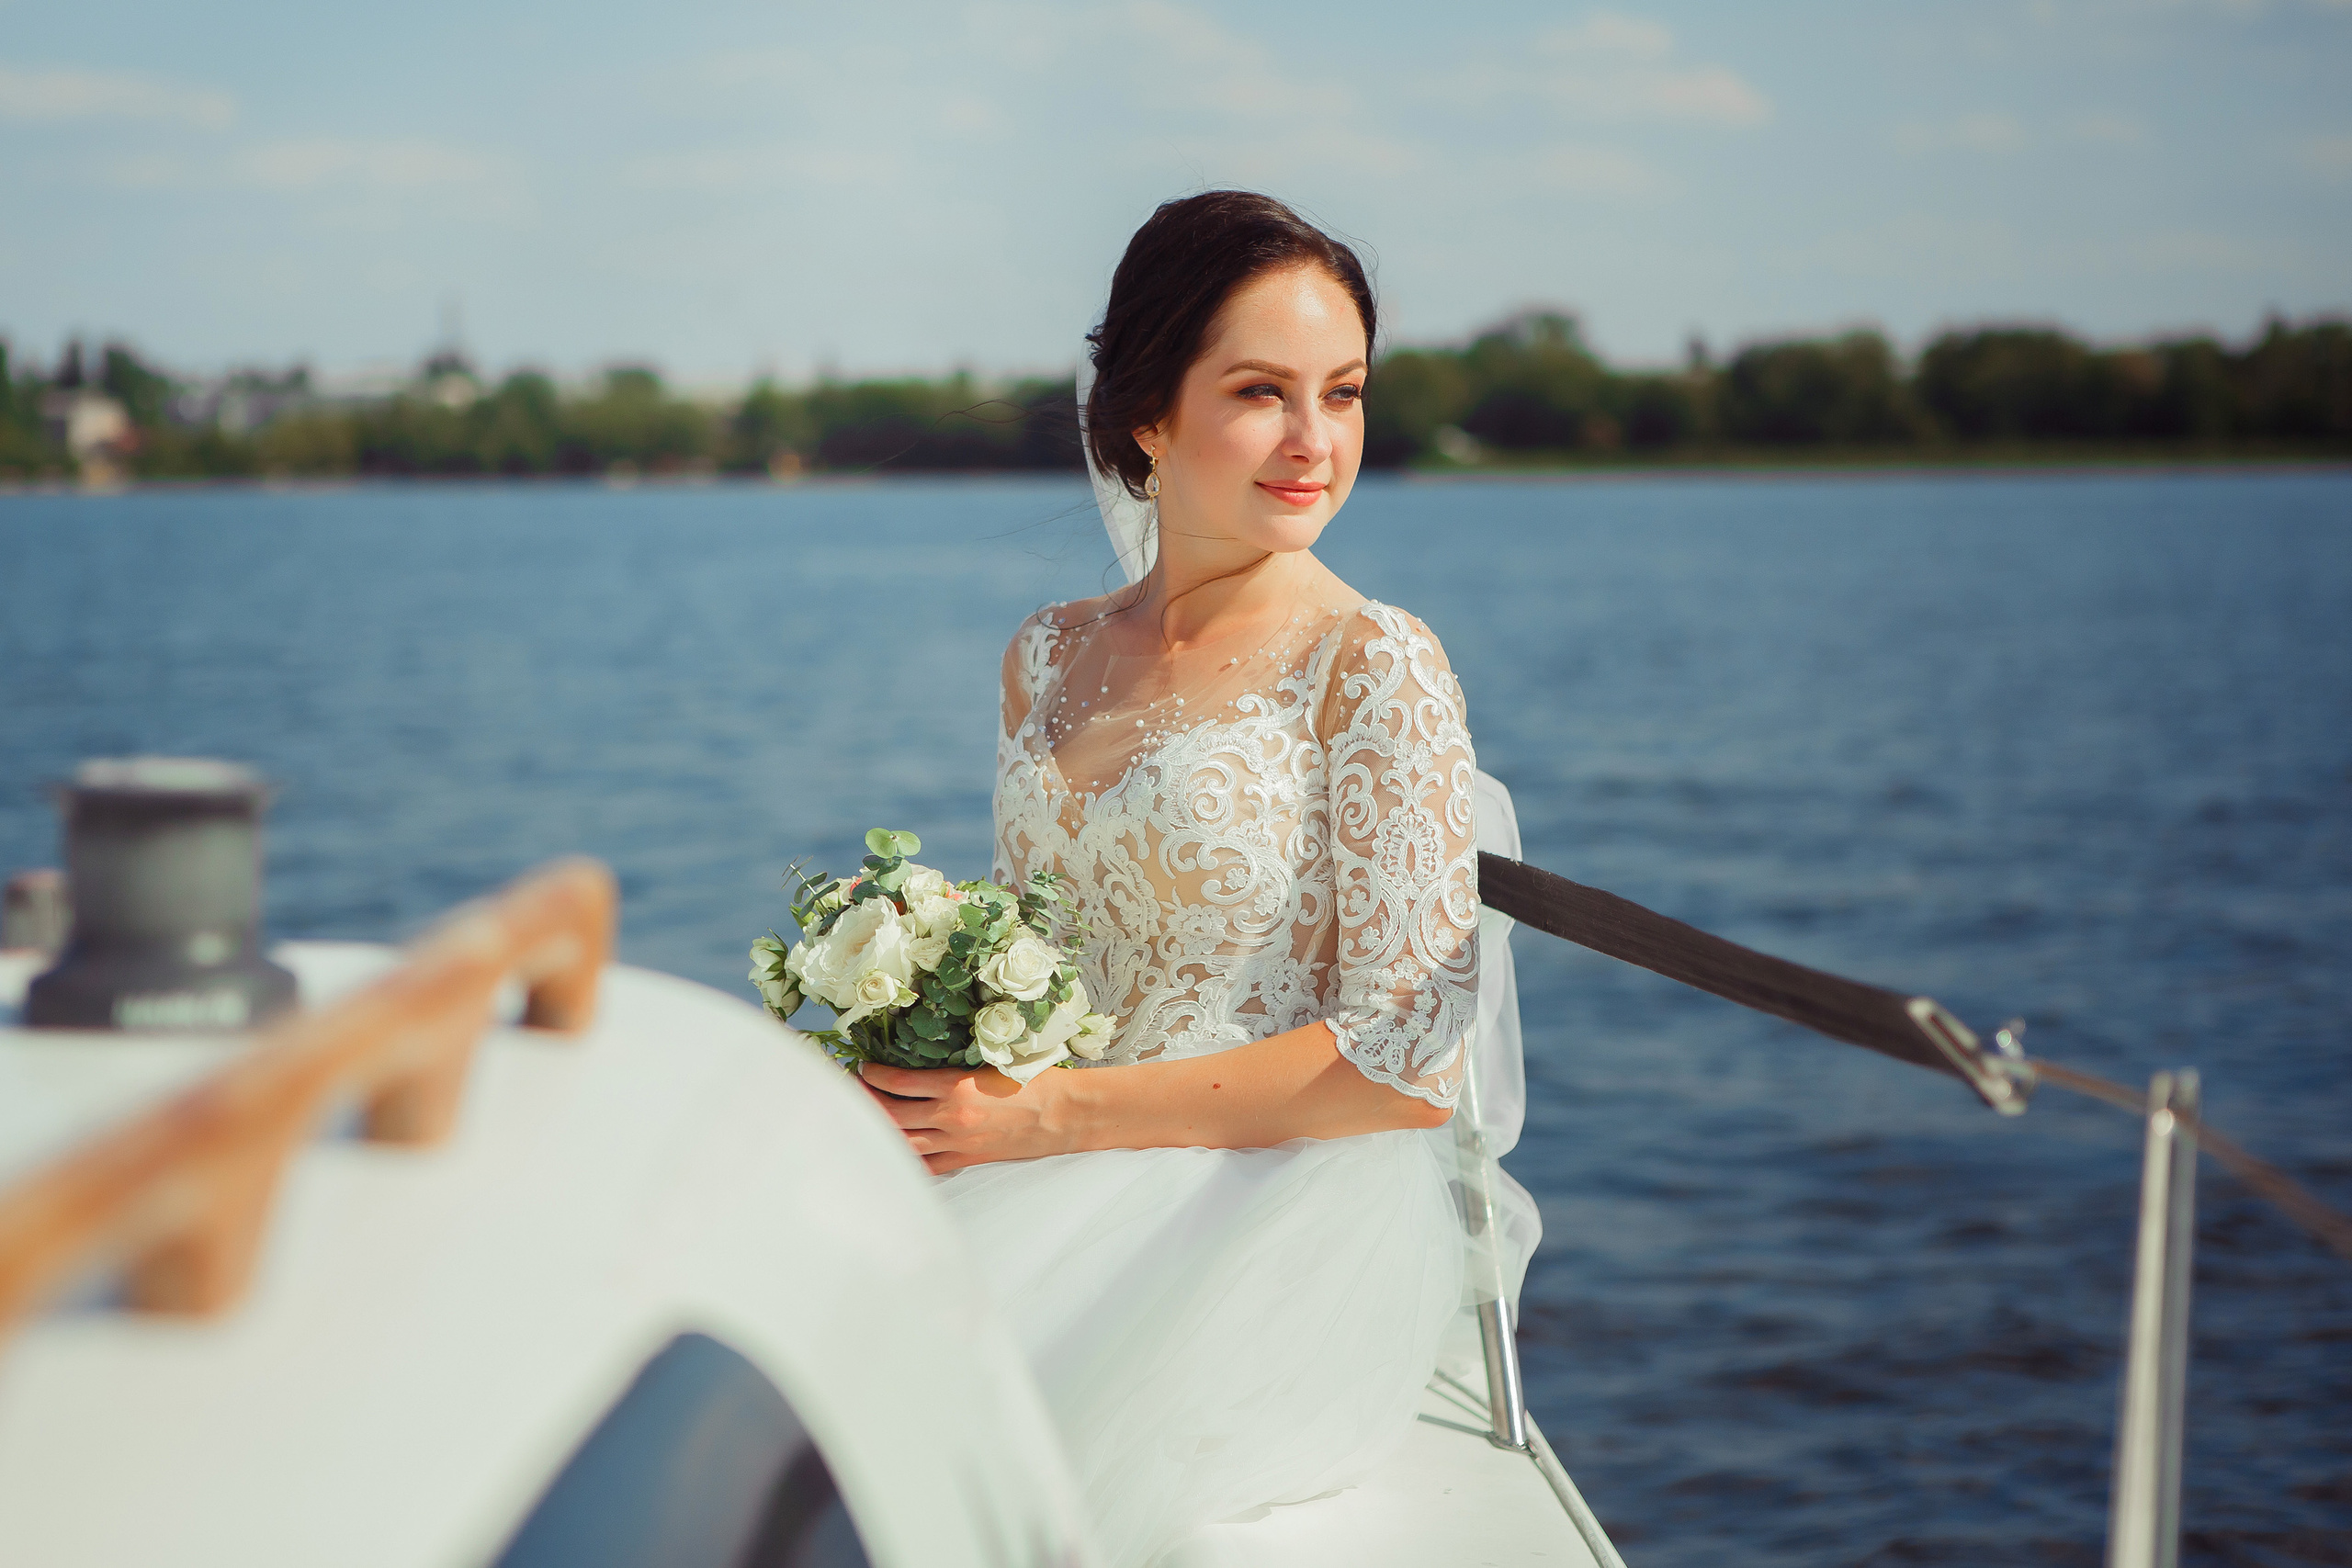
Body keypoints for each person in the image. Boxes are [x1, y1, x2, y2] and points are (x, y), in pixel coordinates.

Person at [855, 191, 1487, 1566]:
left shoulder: (1376, 666)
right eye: (1261, 393)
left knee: (969, 1455)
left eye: (1345, 392)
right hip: (1039, 1140)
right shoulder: (1046, 654)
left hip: (1263, 1204)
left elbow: (1407, 1061)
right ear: (1148, 411)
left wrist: (1050, 1120)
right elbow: (1048, 942)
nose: (1316, 442)